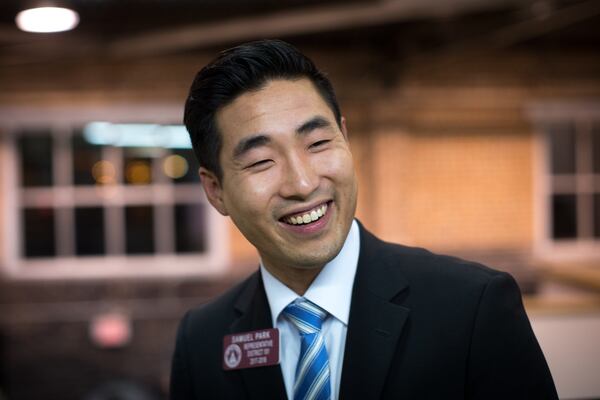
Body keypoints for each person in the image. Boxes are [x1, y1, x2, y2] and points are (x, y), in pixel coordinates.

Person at [170, 39, 558, 400]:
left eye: (318, 143)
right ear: (215, 190)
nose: (303, 184)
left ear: (344, 137)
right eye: (260, 162)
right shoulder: (202, 339)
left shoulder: (473, 307)